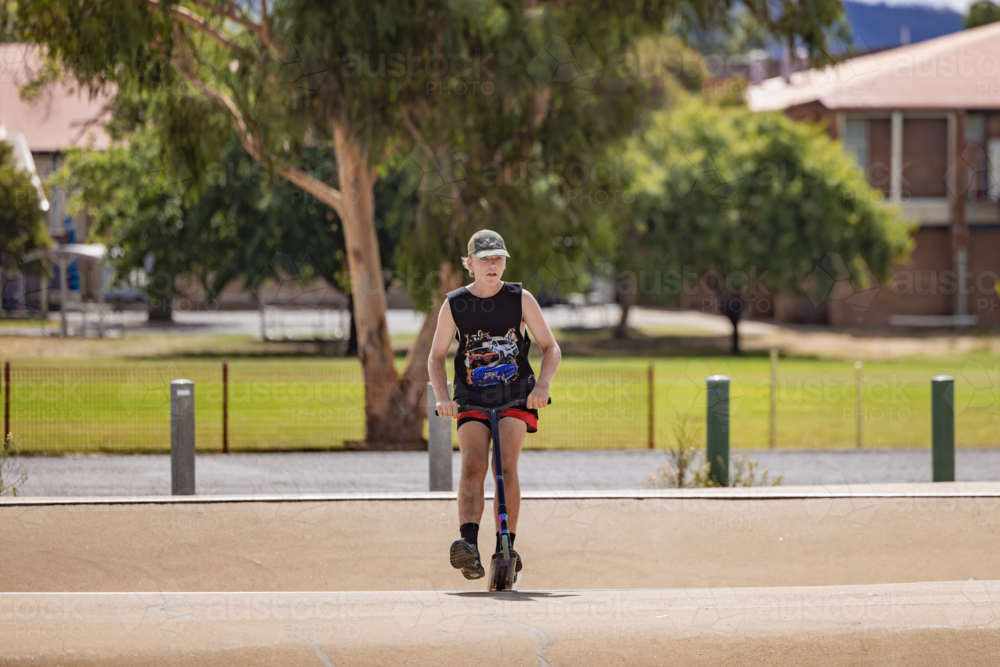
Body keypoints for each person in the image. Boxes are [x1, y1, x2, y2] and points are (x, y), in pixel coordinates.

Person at [427, 229, 561, 581]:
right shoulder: (454, 304)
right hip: (473, 398)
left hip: (516, 396)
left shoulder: (520, 299)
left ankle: (506, 543)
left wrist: (542, 386)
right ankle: (467, 544)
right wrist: (443, 397)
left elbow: (551, 347)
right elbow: (436, 356)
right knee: (473, 463)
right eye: (485, 258)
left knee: (505, 464)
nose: (492, 264)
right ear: (469, 264)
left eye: (498, 258)